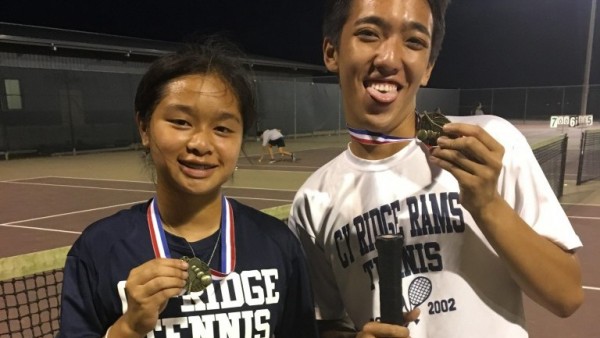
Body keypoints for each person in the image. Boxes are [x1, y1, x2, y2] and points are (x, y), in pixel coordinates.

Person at [288, 1, 583, 337]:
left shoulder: (488, 144)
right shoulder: (313, 200)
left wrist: (487, 203)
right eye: (369, 34)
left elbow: (567, 296)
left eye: (413, 42)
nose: (387, 58)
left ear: (427, 67)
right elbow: (325, 321)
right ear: (332, 52)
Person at [58, 38, 318, 338]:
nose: (200, 144)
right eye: (181, 122)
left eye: (222, 128)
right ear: (144, 127)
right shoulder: (99, 248)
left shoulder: (278, 244)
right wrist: (127, 329)